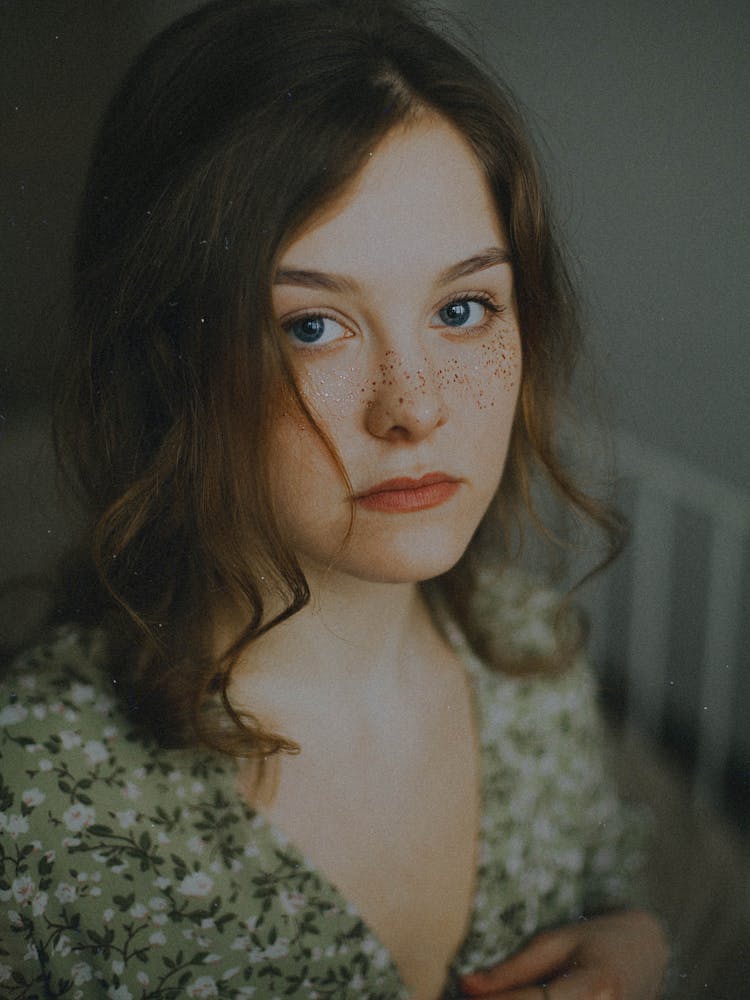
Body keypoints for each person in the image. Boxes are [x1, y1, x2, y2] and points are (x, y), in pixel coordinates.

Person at [0, 1, 668, 997]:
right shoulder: (35, 804)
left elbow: (605, 883)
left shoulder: (535, 654)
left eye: (461, 307)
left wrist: (635, 945)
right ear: (166, 356)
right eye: (312, 325)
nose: (415, 408)